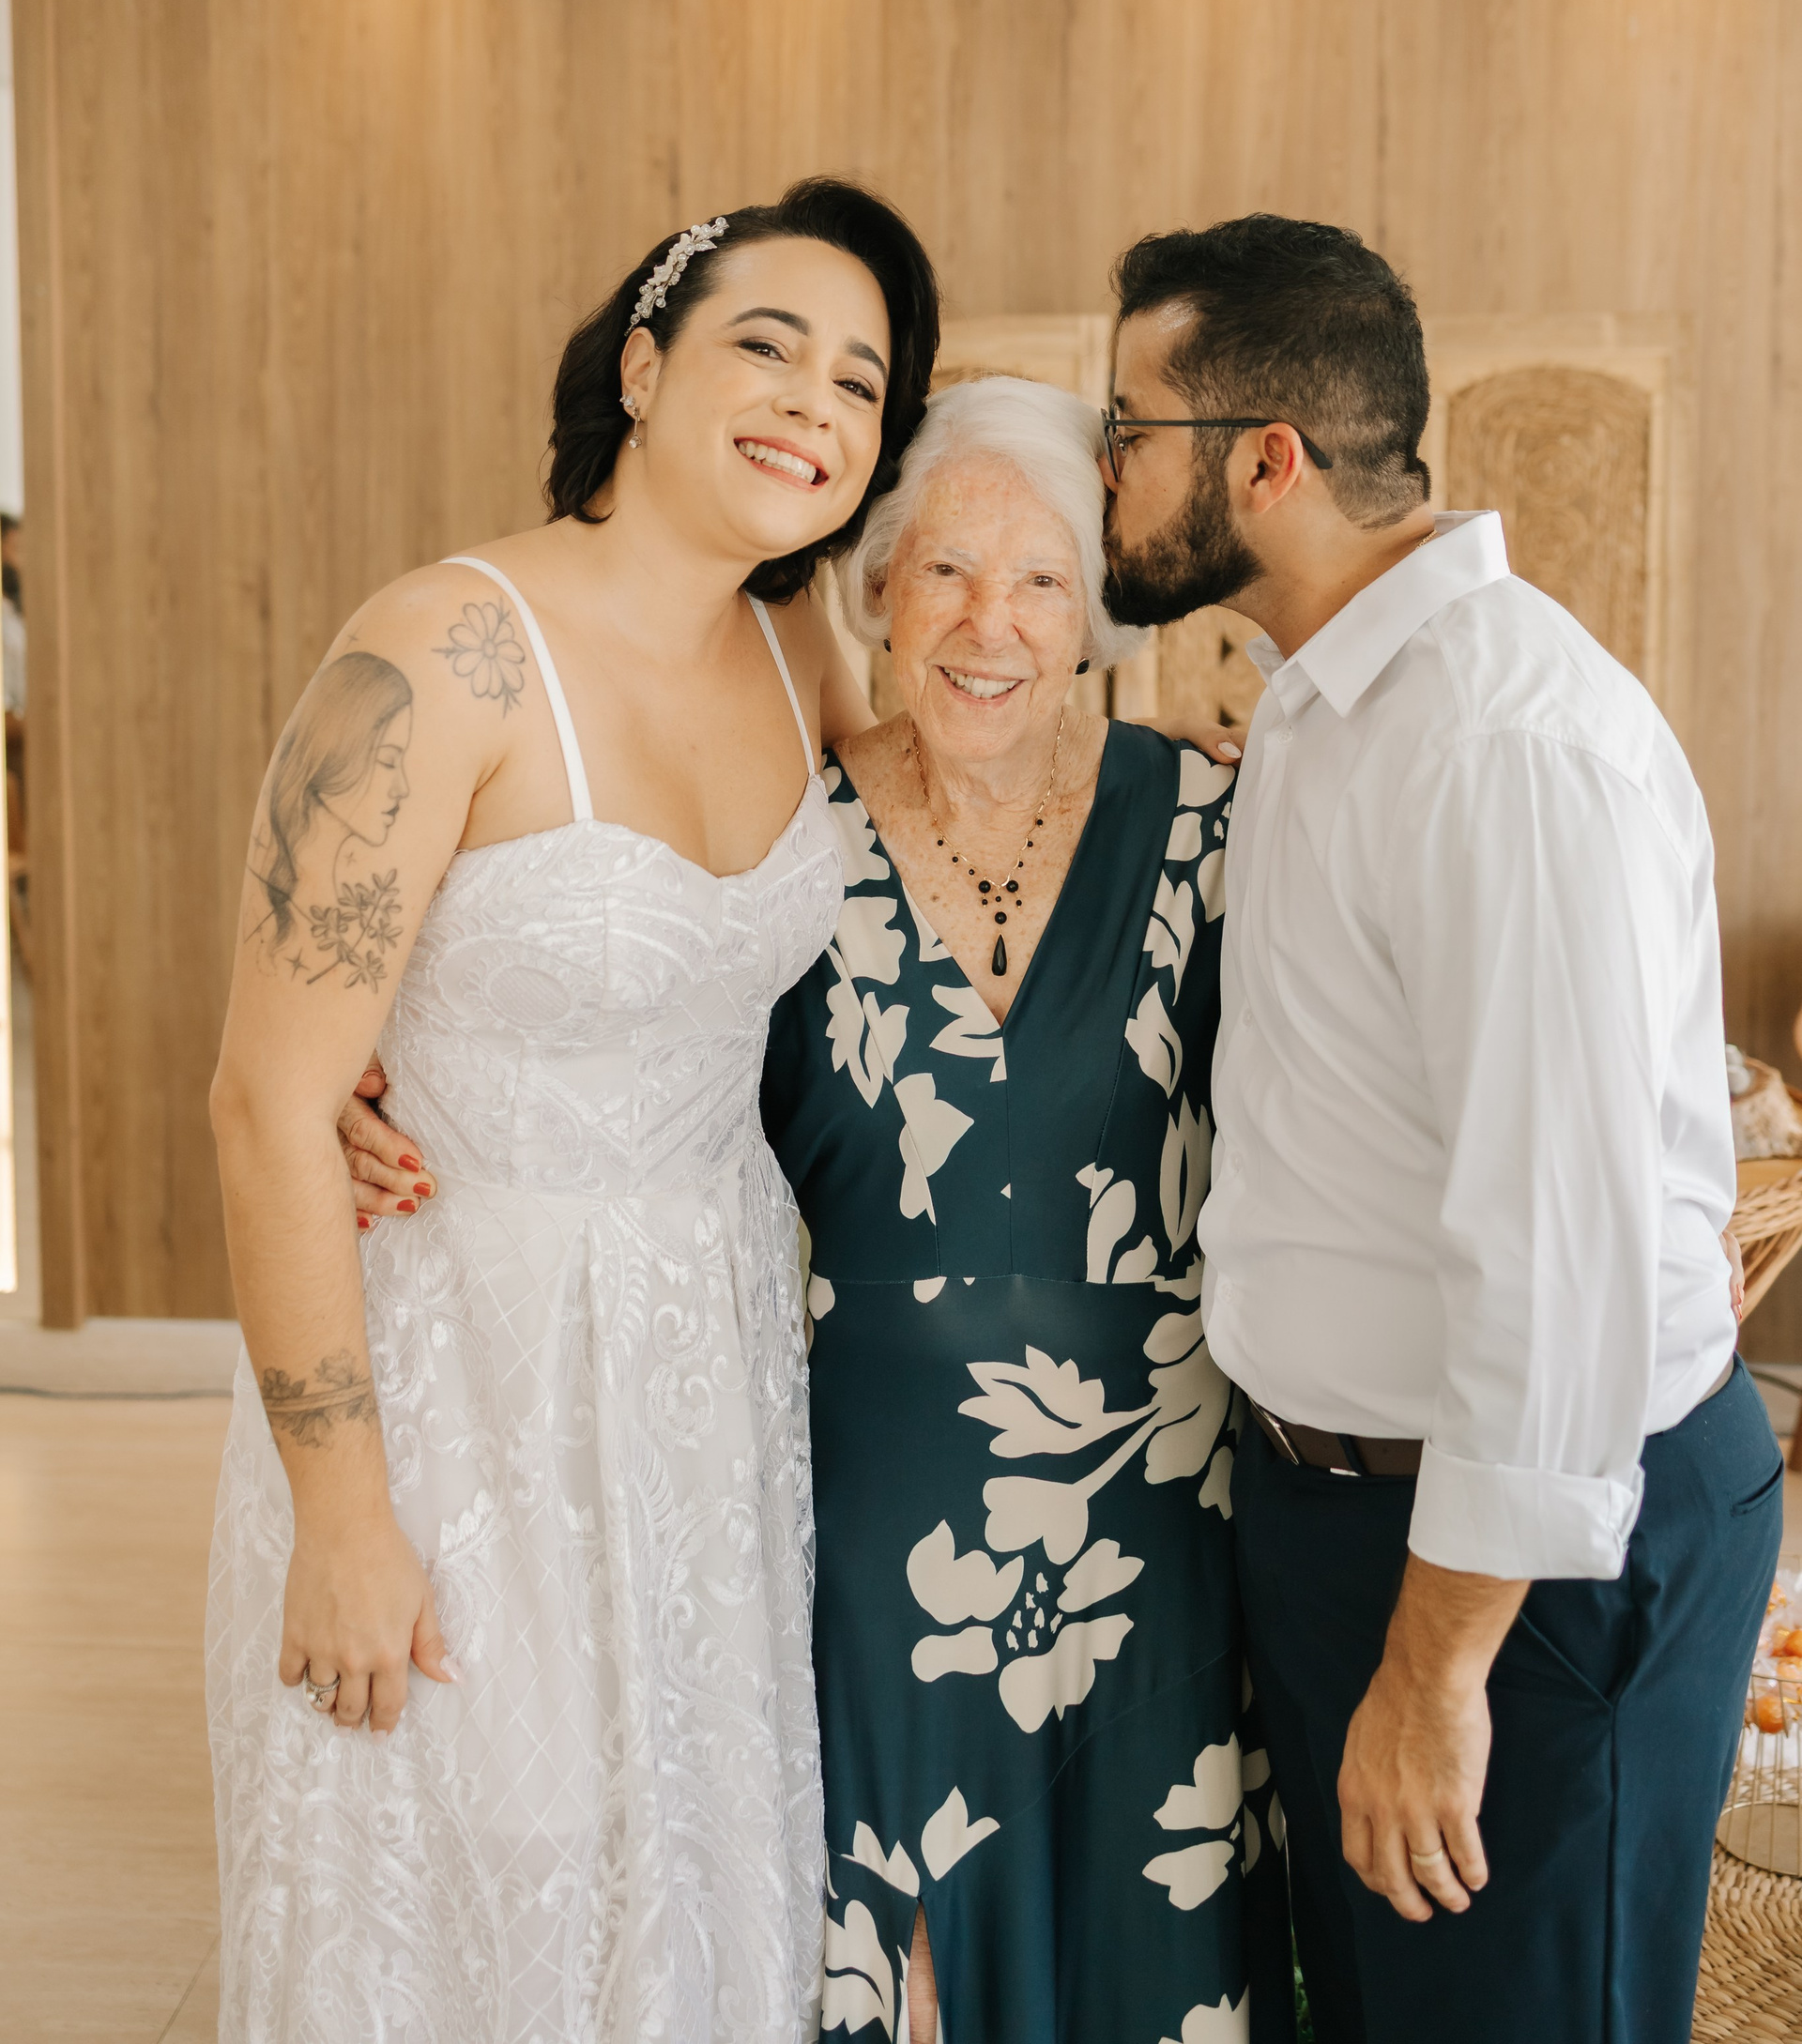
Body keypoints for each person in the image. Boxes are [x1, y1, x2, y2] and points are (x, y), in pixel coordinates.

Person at [344, 376, 1293, 2044]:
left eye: (1042, 580)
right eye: (946, 571)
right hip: (869, 1543)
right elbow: (603, 1040)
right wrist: (378, 1084)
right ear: (876, 589)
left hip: (1170, 1540)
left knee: (1156, 1970)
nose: (990, 622)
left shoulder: (1220, 824)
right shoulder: (787, 846)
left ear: (1096, 614)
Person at [206, 177, 939, 2044]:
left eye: (862, 383)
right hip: (466, 1363)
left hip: (704, 1364)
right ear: (643, 366)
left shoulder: (803, 651)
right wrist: (342, 1515)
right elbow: (267, 1102)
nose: (815, 403)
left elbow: (969, 804)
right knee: (468, 1861)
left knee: (678, 1876)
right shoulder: (441, 650)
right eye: (768, 346)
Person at [1101, 213, 1781, 2044]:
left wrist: (1434, 1668)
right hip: (1358, 1524)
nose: (1107, 474)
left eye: (1129, 430)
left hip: (1517, 1571)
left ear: (1265, 460)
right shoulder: (1326, 703)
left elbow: (1557, 1269)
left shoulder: (1502, 742)